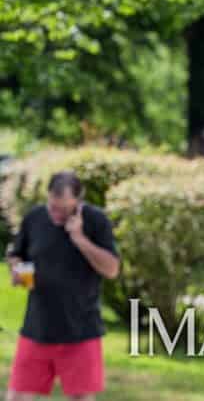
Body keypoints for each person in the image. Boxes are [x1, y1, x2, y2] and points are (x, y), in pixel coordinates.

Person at [5, 170, 120, 401]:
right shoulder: (35, 218)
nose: (56, 214)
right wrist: (17, 270)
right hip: (37, 328)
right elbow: (17, 256)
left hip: (80, 331)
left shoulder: (96, 221)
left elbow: (111, 269)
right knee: (16, 397)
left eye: (63, 209)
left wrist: (79, 238)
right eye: (52, 206)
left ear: (78, 200)